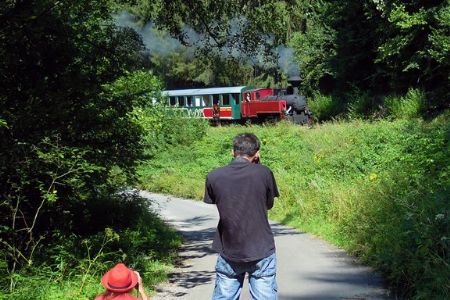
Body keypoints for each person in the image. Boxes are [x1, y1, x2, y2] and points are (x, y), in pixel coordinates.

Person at [204, 133, 279, 300]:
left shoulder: (214, 176)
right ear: (257, 153)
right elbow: (268, 204)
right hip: (261, 249)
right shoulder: (264, 173)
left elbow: (218, 201)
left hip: (229, 249)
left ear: (233, 152)